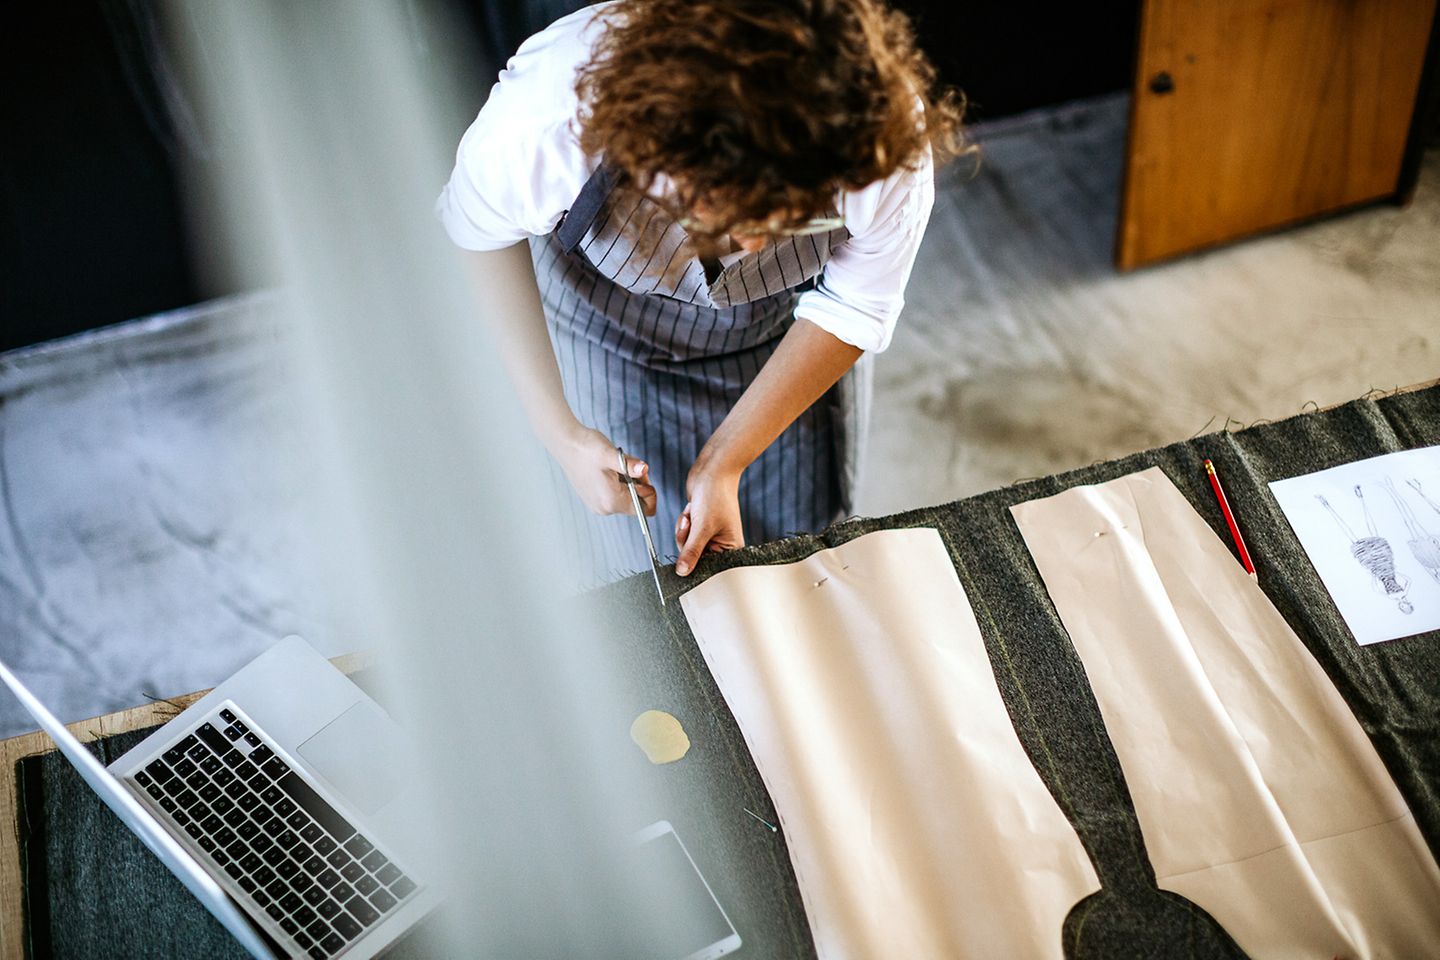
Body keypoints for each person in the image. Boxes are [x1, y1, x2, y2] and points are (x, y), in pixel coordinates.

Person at [436, 0, 965, 587]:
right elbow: (476, 236)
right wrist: (559, 433)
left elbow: (855, 304)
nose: (759, 242)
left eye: (796, 215)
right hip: (604, 337)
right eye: (735, 213)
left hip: (783, 339)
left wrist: (725, 460)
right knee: (632, 575)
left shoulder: (880, 137)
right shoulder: (554, 116)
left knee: (801, 570)